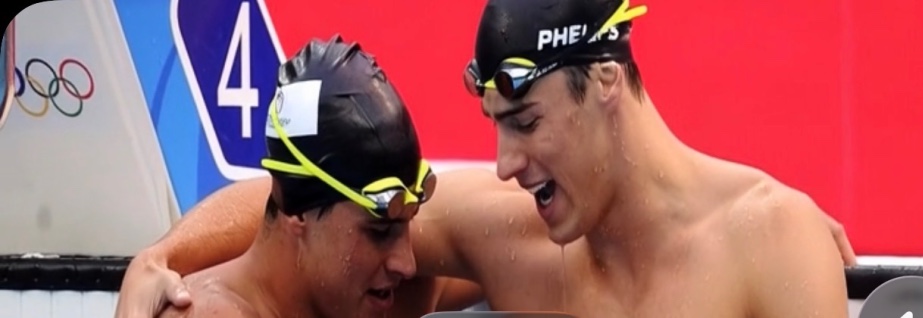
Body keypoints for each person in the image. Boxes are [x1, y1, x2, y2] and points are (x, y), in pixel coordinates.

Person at [115, 1, 858, 317]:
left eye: (526, 123)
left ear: (604, 83)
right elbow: (301, 193)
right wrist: (160, 257)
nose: (504, 162)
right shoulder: (523, 241)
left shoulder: (770, 240)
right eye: (498, 127)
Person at [156, 36, 435, 318]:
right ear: (299, 209)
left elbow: (477, 210)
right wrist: (155, 259)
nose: (408, 264)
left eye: (406, 225)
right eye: (379, 232)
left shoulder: (352, 299)